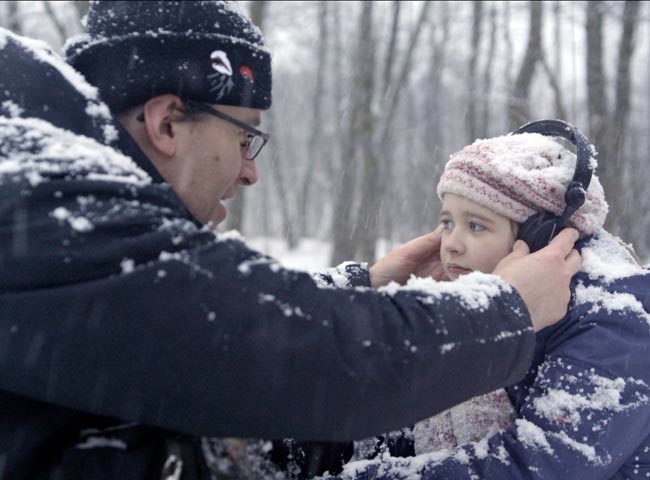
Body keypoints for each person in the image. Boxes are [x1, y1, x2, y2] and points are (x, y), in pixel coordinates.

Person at [0, 2, 580, 478]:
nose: (250, 172)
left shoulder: (53, 189)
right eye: (245, 137)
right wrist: (507, 311)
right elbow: (300, 359)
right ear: (168, 122)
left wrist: (362, 287)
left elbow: (207, 343)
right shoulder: (45, 195)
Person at [333, 128, 650, 479]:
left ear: (540, 237)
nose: (451, 243)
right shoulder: (466, 309)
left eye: (476, 226)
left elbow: (541, 468)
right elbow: (400, 429)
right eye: (447, 222)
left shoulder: (615, 327)